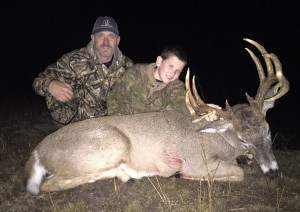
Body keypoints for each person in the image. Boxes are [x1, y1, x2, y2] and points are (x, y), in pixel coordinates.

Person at [33, 16, 134, 125]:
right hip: (74, 126)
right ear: (93, 38)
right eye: (100, 36)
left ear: (117, 40)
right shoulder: (73, 60)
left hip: (111, 126)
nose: (106, 42)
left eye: (111, 36)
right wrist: (50, 84)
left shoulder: (129, 67)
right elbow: (38, 81)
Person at [107, 44, 220, 121]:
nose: (172, 73)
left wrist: (201, 110)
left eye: (178, 71)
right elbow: (115, 97)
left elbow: (182, 103)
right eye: (171, 66)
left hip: (151, 133)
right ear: (159, 61)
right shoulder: (136, 73)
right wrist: (119, 121)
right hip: (123, 125)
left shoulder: (175, 86)